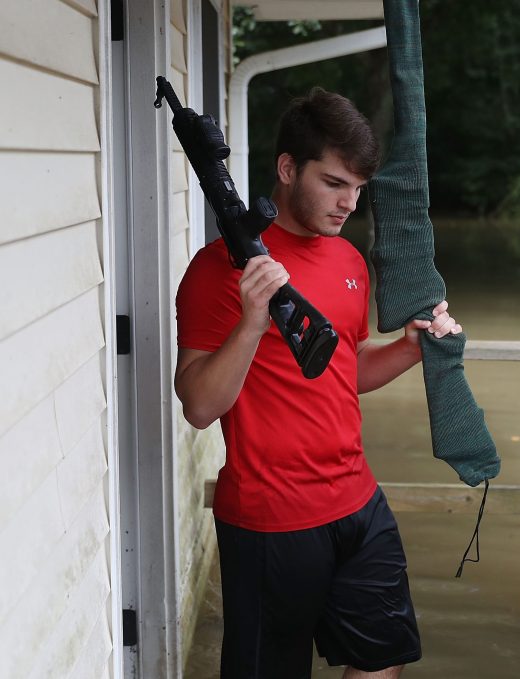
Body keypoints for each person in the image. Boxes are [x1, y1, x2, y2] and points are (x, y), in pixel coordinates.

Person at [175, 88, 457, 678]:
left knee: (383, 661)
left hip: (357, 502)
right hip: (269, 519)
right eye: (334, 183)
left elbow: (342, 371)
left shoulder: (349, 262)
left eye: (357, 188)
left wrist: (410, 347)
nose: (349, 203)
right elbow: (200, 406)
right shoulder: (217, 269)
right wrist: (253, 319)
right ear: (286, 168)